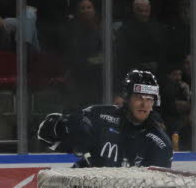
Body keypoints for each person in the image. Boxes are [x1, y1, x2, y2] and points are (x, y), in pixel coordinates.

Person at [37, 69, 172, 168]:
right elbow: (45, 134)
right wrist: (63, 128)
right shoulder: (99, 116)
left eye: (149, 99)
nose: (144, 105)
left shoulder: (159, 141)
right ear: (127, 97)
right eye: (139, 98)